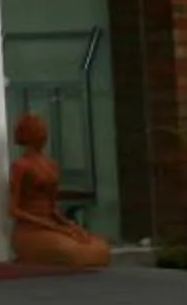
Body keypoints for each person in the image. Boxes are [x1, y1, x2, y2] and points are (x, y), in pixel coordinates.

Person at [8, 111, 111, 269]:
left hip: (51, 224)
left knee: (98, 246)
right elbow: (13, 210)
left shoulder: (51, 165)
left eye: (44, 132)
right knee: (72, 251)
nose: (43, 136)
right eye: (38, 132)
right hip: (30, 229)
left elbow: (52, 206)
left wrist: (69, 226)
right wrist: (52, 226)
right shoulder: (20, 166)